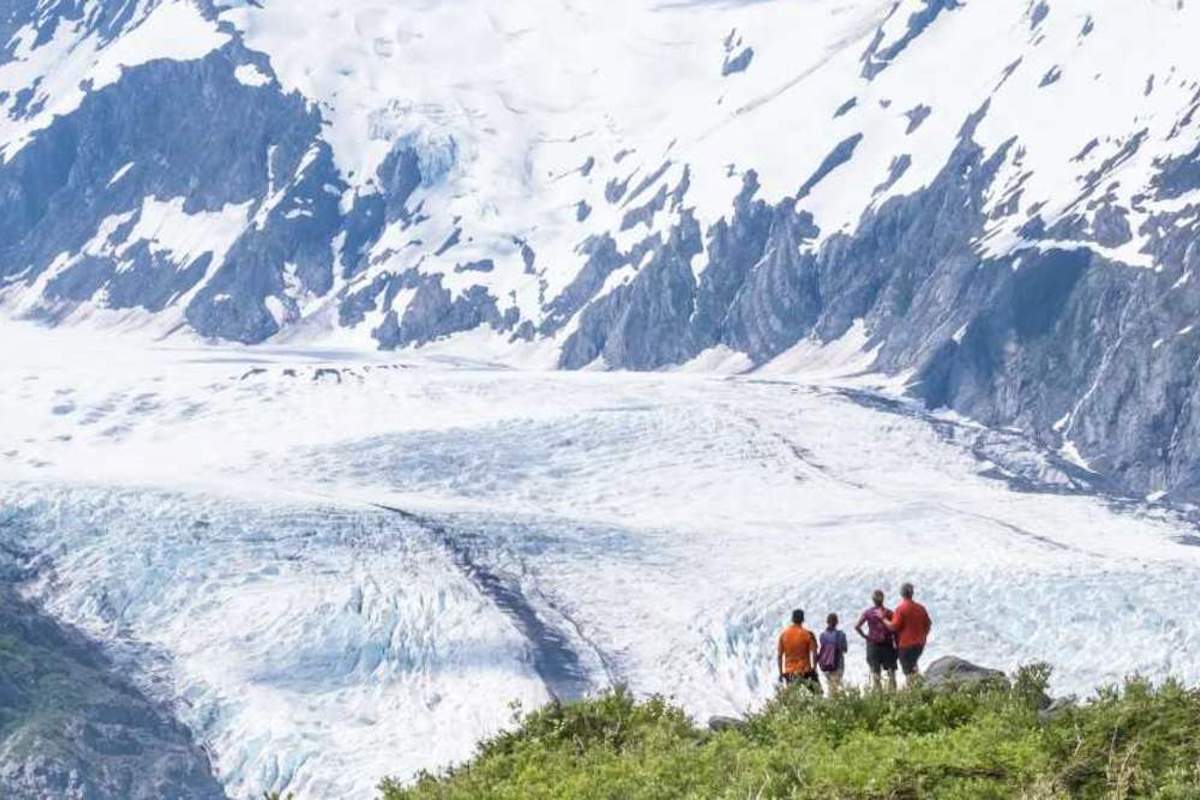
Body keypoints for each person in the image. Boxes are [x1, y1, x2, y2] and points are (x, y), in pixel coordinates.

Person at [884, 582, 932, 687]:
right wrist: (924, 635)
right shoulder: (920, 608)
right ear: (912, 593)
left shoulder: (901, 609)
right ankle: (918, 687)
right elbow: (928, 624)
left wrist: (884, 620)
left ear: (902, 594)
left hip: (906, 644)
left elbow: (894, 626)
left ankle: (913, 691)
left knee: (908, 670)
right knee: (913, 665)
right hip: (920, 643)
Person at [854, 589, 898, 692]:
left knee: (875, 673)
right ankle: (893, 694)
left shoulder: (868, 613)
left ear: (873, 600)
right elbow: (895, 629)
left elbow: (857, 626)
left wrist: (865, 636)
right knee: (891, 672)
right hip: (887, 644)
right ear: (883, 599)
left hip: (873, 644)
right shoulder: (889, 613)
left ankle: (878, 696)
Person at [776, 609, 819, 693]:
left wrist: (781, 673)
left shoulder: (783, 635)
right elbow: (814, 652)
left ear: (792, 619)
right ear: (803, 619)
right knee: (817, 693)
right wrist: (814, 668)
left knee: (793, 698)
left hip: (790, 672)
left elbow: (779, 656)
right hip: (805, 671)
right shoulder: (808, 634)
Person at [816, 612, 849, 697]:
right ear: (837, 622)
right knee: (834, 688)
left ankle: (832, 704)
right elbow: (845, 649)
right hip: (838, 665)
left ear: (827, 622)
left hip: (826, 665)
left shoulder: (822, 635)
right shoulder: (841, 635)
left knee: (831, 686)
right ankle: (832, 706)